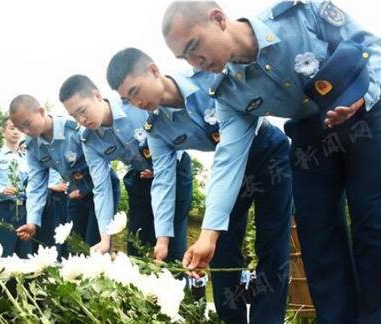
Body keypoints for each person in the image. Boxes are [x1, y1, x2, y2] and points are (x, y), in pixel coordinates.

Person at [162, 1, 381, 323]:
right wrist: (209, 234)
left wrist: (367, 97)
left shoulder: (300, 13)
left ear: (218, 19)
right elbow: (229, 158)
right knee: (316, 236)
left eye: (194, 46)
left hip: (365, 114)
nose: (195, 61)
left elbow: (371, 46)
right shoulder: (226, 90)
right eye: (184, 57)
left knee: (372, 222)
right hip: (309, 134)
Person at [107, 47, 291, 322]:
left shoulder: (207, 79)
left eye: (135, 91)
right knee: (221, 247)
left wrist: (208, 232)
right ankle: (232, 319)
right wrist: (163, 238)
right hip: (230, 169)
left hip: (267, 151)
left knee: (272, 242)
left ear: (153, 71)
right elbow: (163, 182)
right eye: (126, 99)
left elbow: (231, 151)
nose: (136, 103)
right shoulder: (155, 128)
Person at [9, 94, 120, 247]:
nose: (26, 130)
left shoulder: (75, 129)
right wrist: (32, 222)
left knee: (96, 244)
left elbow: (101, 163)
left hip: (102, 187)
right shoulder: (32, 147)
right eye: (20, 128)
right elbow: (36, 185)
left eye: (27, 123)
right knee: (76, 246)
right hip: (75, 193)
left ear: (41, 111)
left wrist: (85, 188)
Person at [59, 74, 152, 255]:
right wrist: (105, 238)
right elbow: (102, 188)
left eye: (83, 110)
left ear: (97, 95)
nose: (82, 120)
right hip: (139, 176)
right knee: (138, 249)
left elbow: (170, 132)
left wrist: (161, 169)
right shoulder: (89, 140)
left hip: (172, 170)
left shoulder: (134, 104)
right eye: (74, 116)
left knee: (170, 247)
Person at [0, 118, 33, 257]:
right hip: (3, 209)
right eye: (12, 128)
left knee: (25, 254)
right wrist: (1, 190)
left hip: (24, 209)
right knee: (3, 253)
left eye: (19, 128)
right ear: (3, 131)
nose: (16, 132)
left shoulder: (26, 157)